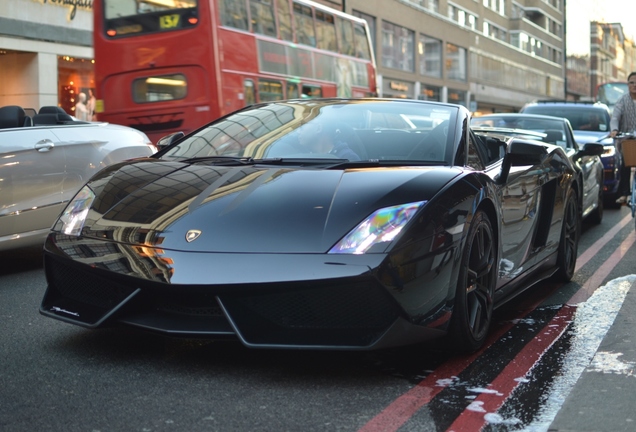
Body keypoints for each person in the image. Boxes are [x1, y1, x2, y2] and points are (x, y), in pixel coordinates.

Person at [609, 72, 636, 204]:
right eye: (632, 82)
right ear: (628, 84)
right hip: (627, 140)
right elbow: (615, 117)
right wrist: (614, 129)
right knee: (624, 164)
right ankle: (624, 194)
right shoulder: (622, 100)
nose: (635, 85)